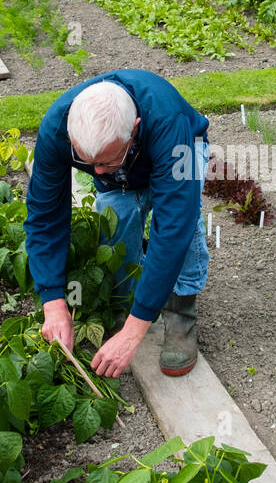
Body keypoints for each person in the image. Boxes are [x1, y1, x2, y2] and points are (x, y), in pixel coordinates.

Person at [24, 69, 210, 378]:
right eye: (87, 161)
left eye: (105, 162)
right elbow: (45, 217)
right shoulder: (56, 129)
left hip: (182, 148)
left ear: (134, 130)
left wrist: (133, 333)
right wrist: (53, 301)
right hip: (125, 165)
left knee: (184, 227)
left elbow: (173, 225)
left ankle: (181, 309)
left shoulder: (169, 122)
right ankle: (134, 295)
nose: (96, 172)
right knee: (117, 222)